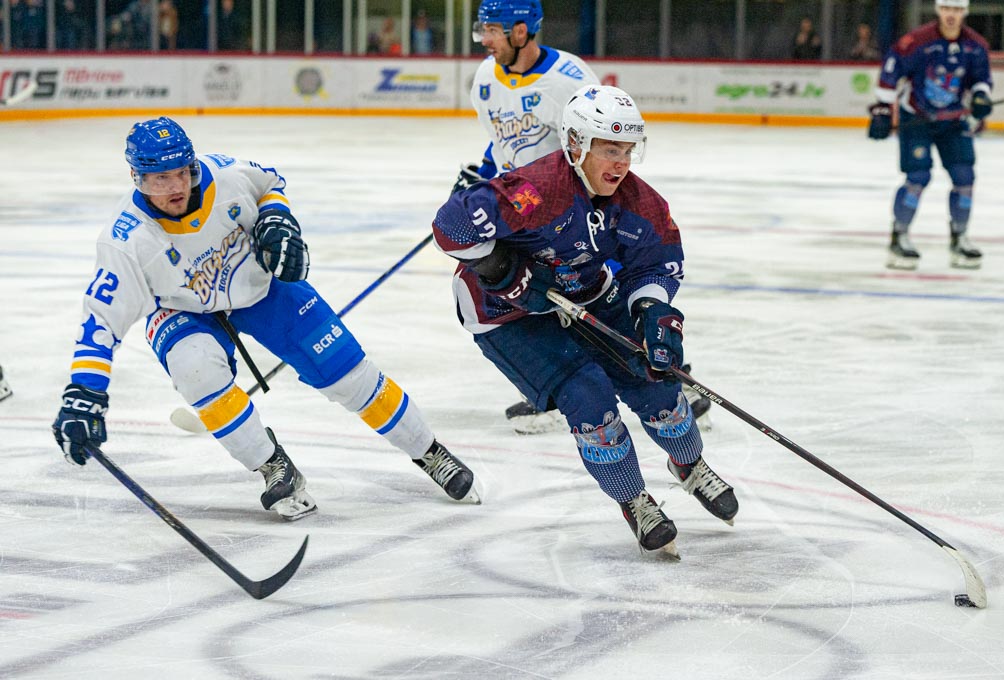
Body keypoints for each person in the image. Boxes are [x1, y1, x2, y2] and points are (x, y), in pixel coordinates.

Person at [52, 117, 479, 521]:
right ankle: (272, 465)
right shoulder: (125, 240)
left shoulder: (227, 176)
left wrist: (277, 217)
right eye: (161, 179)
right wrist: (83, 393)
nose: (177, 186)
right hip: (181, 309)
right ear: (137, 178)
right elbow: (100, 323)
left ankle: (429, 452)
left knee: (347, 372)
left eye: (183, 172)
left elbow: (270, 184)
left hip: (260, 287)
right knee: (195, 369)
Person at [433, 85, 739, 556]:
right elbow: (450, 227)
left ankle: (689, 464)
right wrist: (503, 269)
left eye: (628, 151)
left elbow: (656, 264)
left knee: (656, 380)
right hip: (509, 315)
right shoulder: (536, 190)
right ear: (576, 144)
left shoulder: (639, 202)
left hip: (588, 293)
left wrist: (653, 311)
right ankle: (634, 500)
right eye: (610, 149)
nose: (621, 163)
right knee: (588, 396)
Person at [455, 0, 712, 435]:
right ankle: (559, 385)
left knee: (605, 291)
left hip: (574, 209)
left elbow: (605, 147)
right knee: (532, 293)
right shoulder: (485, 78)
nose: (485, 40)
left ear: (521, 31)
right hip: (524, 217)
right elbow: (501, 143)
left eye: (492, 30)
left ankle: (666, 378)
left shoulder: (569, 80)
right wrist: (483, 176)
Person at [867, 0, 992, 270]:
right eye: (946, 8)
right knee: (918, 176)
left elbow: (981, 78)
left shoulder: (975, 45)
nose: (951, 15)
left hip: (953, 121)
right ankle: (899, 236)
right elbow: (892, 68)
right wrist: (882, 109)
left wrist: (981, 96)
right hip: (917, 119)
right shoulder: (917, 41)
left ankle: (960, 237)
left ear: (964, 12)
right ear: (938, 10)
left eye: (956, 10)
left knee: (964, 177)